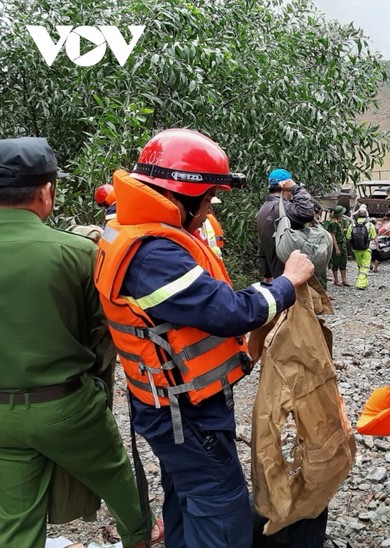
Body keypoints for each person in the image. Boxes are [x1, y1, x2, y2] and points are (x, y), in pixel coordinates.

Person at [94, 128, 314, 548]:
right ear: (183, 194)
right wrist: (287, 284)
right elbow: (230, 312)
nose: (211, 205)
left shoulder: (132, 229)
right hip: (185, 413)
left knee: (185, 493)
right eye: (209, 195)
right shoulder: (153, 254)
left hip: (171, 403)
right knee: (221, 506)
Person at [0, 137, 161, 548]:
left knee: (15, 519)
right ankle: (140, 536)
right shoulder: (76, 253)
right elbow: (106, 328)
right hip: (66, 407)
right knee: (116, 476)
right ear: (45, 191)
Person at [256, 168, 315, 282]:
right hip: (293, 276)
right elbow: (307, 213)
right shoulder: (283, 208)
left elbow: (261, 245)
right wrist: (296, 189)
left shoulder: (263, 209)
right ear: (286, 187)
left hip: (279, 278)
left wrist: (266, 275)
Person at [346, 205, 376, 289]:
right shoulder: (370, 225)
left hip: (356, 249)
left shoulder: (352, 225)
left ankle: (364, 282)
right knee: (365, 267)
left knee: (360, 266)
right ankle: (361, 284)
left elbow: (348, 237)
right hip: (366, 249)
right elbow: (373, 237)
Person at [327, 205, 350, 286]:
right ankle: (336, 280)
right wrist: (336, 248)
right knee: (336, 262)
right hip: (338, 244)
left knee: (343, 262)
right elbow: (333, 236)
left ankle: (344, 280)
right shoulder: (334, 224)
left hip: (343, 244)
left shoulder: (341, 222)